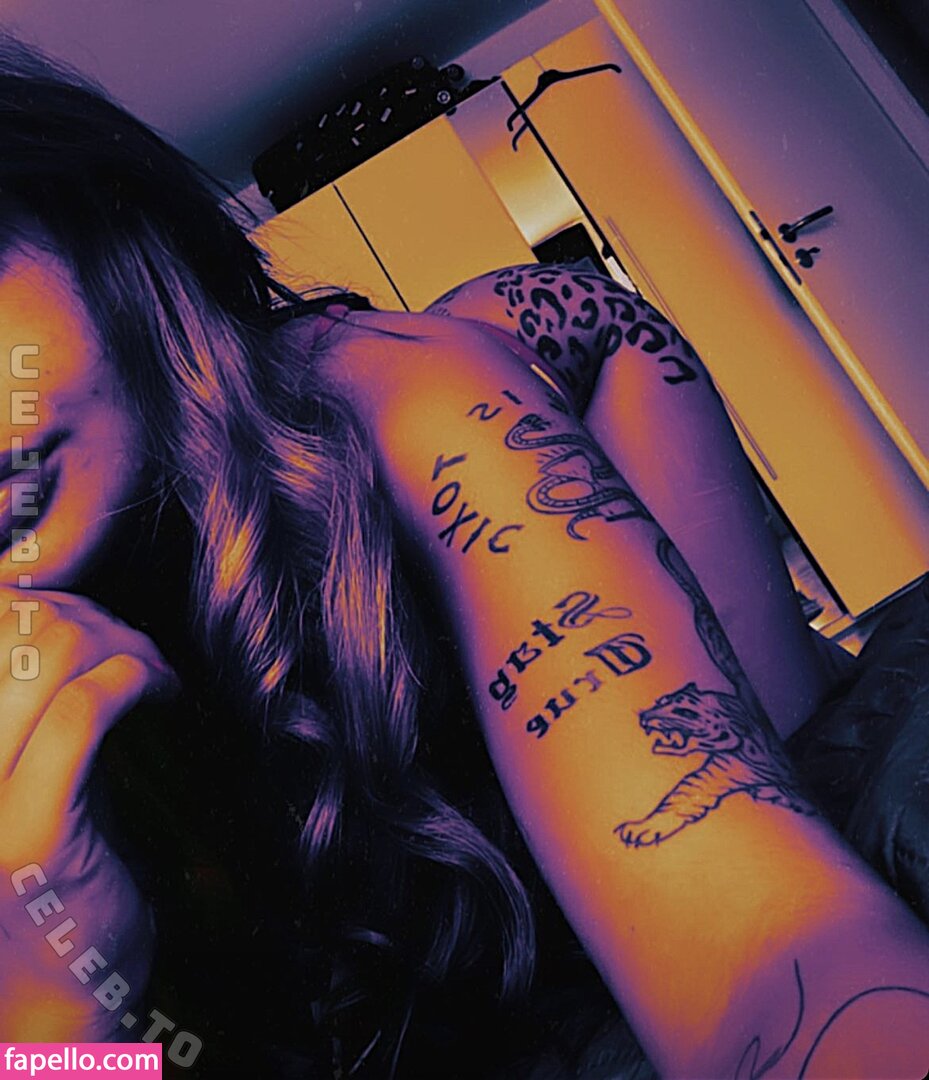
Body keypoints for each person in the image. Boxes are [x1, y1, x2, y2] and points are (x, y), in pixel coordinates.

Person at [0, 31, 928, 1079]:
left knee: (811, 792)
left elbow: (767, 951)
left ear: (84, 218)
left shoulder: (383, 400)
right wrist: (53, 1035)